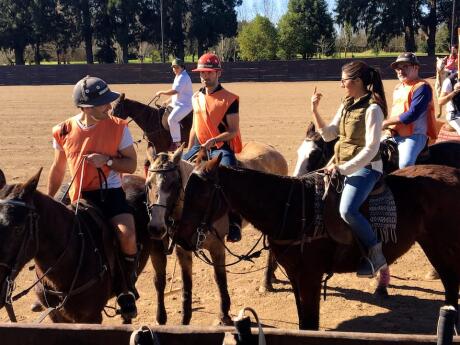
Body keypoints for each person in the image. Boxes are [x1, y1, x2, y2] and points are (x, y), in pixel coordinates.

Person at [47, 76, 138, 319]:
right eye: (104, 103)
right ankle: (48, 291)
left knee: (127, 236)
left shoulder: (119, 126)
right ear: (86, 106)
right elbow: (57, 169)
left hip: (110, 195)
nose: (109, 107)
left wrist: (107, 160)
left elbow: (131, 164)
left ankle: (125, 288)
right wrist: (51, 200)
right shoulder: (63, 130)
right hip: (79, 196)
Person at [311, 61, 388, 277]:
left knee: (347, 210)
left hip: (367, 168)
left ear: (357, 81)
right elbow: (329, 134)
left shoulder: (373, 109)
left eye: (343, 80)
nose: (341, 84)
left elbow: (372, 148)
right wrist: (314, 110)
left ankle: (375, 252)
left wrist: (344, 169)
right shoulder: (346, 104)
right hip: (340, 163)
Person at [182, 53, 243, 242]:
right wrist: (188, 149)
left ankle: (234, 223)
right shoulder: (195, 97)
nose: (204, 77)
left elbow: (233, 131)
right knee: (176, 173)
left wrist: (213, 140)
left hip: (220, 148)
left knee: (230, 178)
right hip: (199, 147)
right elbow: (194, 126)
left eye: (209, 73)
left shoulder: (229, 99)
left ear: (218, 73)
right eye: (202, 73)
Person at [382, 52, 437, 168]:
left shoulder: (422, 87)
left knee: (405, 164)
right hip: (394, 133)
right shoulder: (398, 87)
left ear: (416, 67)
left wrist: (386, 122)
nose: (400, 71)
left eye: (405, 67)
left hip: (414, 135)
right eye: (398, 68)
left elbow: (412, 114)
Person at [155, 58, 193, 151]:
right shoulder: (178, 75)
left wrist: (161, 92)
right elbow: (177, 93)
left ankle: (177, 143)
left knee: (172, 120)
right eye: (173, 67)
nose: (174, 69)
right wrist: (167, 101)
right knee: (163, 112)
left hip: (185, 105)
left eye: (176, 67)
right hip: (177, 103)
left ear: (182, 67)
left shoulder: (183, 77)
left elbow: (175, 91)